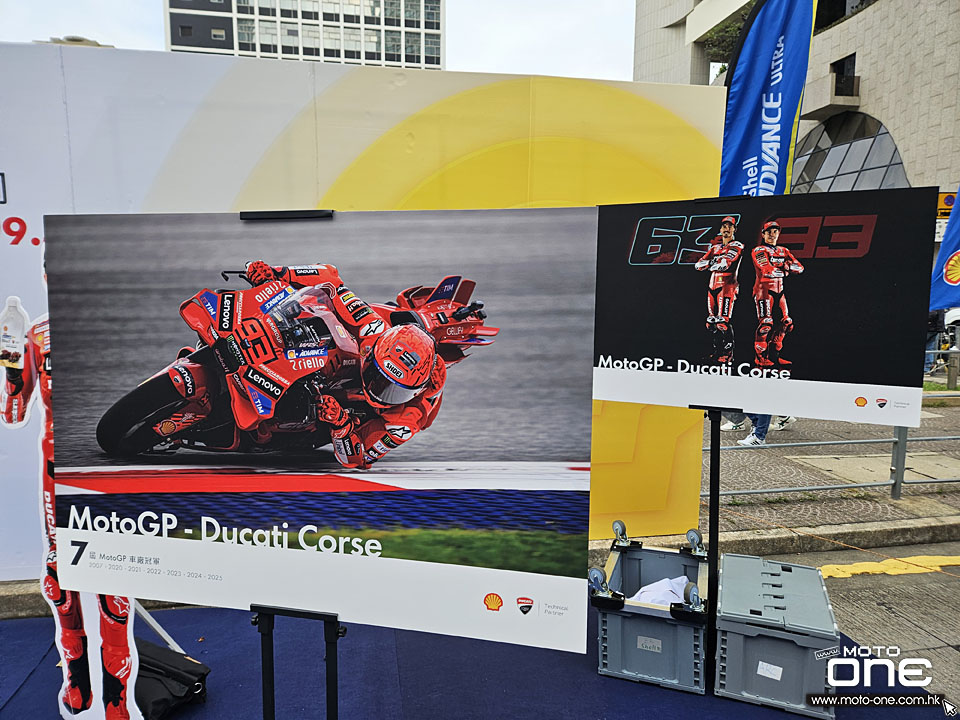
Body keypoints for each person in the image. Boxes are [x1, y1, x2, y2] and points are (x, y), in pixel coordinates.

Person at [1, 302, 135, 719]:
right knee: (59, 580)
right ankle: (77, 682)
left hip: (101, 469)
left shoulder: (114, 325)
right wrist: (11, 367)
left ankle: (118, 703)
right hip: (55, 470)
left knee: (112, 583)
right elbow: (13, 412)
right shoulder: (37, 334)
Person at [245, 260, 447, 469]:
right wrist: (278, 273)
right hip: (368, 346)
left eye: (394, 391)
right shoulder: (372, 328)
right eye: (377, 377)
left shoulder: (404, 422)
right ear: (372, 354)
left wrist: (341, 424)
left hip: (348, 415)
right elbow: (331, 280)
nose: (378, 391)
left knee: (283, 432)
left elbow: (359, 459)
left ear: (415, 392)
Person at [751, 221, 804, 368]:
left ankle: (774, 356)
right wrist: (786, 269)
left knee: (786, 322)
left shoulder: (783, 250)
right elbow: (767, 270)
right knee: (766, 324)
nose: (772, 234)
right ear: (763, 234)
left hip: (780, 292)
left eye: (775, 231)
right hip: (763, 291)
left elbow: (800, 267)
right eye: (769, 232)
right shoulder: (758, 250)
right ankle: (760, 359)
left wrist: (785, 267)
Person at [694, 216, 743, 364]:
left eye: (730, 226)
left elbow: (724, 264)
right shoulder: (715, 248)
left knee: (723, 322)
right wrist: (712, 262)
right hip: (712, 286)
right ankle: (716, 353)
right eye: (724, 226)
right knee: (711, 322)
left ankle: (728, 355)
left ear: (734, 229)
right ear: (720, 229)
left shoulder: (737, 245)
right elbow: (698, 265)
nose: (726, 229)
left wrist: (710, 263)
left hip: (727, 287)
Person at [926, 309, 946, 373]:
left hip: (929, 328)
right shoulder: (940, 306)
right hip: (935, 329)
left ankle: (926, 367)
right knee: (930, 348)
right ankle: (927, 367)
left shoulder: (932, 306)